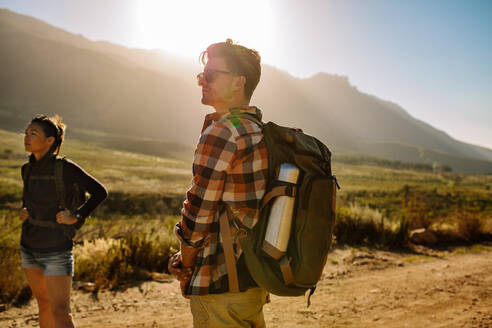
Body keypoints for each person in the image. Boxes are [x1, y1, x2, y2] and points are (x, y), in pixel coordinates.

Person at [168, 39, 269, 328]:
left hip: (220, 282)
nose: (203, 82)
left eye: (211, 75)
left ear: (238, 82)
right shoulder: (259, 131)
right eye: (202, 75)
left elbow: (199, 211)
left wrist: (186, 263)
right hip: (253, 277)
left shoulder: (223, 132)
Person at [19, 114, 107, 328]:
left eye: (33, 133)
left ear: (50, 141)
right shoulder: (27, 169)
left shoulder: (65, 168)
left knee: (61, 313)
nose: (26, 138)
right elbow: (29, 201)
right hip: (29, 248)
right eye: (26, 133)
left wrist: (76, 217)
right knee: (44, 306)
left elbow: (99, 192)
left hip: (57, 250)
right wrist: (25, 211)